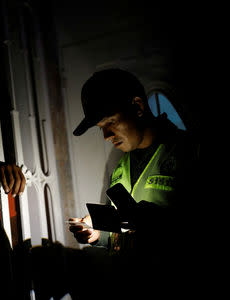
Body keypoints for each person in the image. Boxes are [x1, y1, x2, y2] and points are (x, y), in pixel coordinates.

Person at [68, 68, 201, 296]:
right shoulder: (119, 169)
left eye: (111, 122)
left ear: (138, 107)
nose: (106, 136)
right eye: (101, 128)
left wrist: (143, 218)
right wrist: (99, 234)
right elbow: (121, 233)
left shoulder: (188, 152)